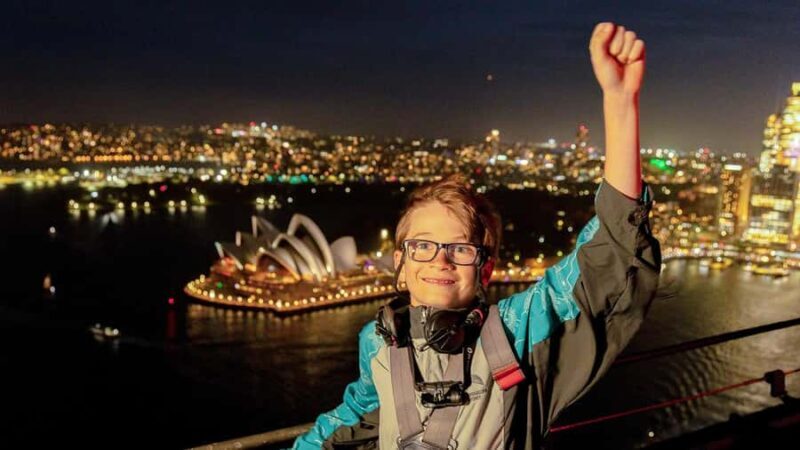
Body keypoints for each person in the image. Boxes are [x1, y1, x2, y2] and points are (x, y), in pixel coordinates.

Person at [292, 22, 661, 449]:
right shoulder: (379, 340)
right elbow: (355, 419)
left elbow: (609, 258)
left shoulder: (518, 331)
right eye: (423, 245)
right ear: (401, 263)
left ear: (486, 267)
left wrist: (620, 103)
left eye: (460, 248)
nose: (439, 260)